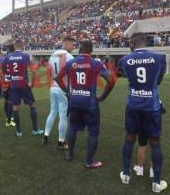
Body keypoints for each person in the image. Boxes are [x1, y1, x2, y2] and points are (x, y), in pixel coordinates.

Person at [117, 32, 167, 193]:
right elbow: (158, 81)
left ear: (133, 43)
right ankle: (156, 183)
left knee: (130, 139)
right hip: (151, 106)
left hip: (133, 104)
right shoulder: (159, 57)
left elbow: (122, 73)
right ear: (145, 42)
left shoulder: (124, 60)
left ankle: (125, 174)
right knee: (155, 142)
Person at [57, 40, 114, 168]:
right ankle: (89, 162)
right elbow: (111, 81)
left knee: (72, 128)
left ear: (80, 50)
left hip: (75, 101)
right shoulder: (96, 63)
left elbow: (58, 77)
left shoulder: (71, 63)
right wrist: (102, 96)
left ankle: (69, 155)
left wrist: (67, 91)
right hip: (90, 103)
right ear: (91, 50)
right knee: (93, 131)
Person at [0, 39, 44, 137]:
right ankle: (35, 130)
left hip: (13, 85)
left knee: (15, 108)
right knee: (32, 106)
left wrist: (7, 78)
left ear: (14, 46)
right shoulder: (26, 56)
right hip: (24, 85)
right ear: (22, 46)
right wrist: (31, 84)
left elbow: (2, 68)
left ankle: (19, 132)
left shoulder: (8, 56)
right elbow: (33, 71)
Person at [42, 37, 75, 149]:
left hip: (53, 87)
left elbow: (50, 72)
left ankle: (45, 135)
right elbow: (72, 74)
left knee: (52, 111)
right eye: (72, 44)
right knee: (63, 116)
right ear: (66, 44)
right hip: (63, 88)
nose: (73, 46)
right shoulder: (69, 57)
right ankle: (61, 142)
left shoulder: (53, 55)